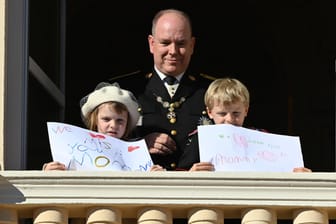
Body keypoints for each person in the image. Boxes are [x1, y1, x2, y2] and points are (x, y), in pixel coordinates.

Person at [132, 8, 214, 171]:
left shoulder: (211, 91)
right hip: (144, 189)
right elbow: (105, 141)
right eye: (165, 43)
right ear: (152, 44)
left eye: (181, 43)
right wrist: (138, 147)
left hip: (199, 189)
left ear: (192, 45)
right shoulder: (129, 89)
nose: (173, 51)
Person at [177, 78, 312, 172]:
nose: (229, 119)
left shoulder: (262, 137)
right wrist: (191, 173)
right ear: (210, 112)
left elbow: (284, 168)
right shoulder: (200, 140)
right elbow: (178, 175)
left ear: (246, 110)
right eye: (222, 113)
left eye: (236, 113)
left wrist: (299, 173)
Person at [43, 82, 164, 171]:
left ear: (128, 123)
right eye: (106, 119)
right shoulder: (75, 147)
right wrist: (51, 172)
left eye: (120, 120)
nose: (113, 125)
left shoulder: (138, 155)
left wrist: (156, 175)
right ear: (95, 120)